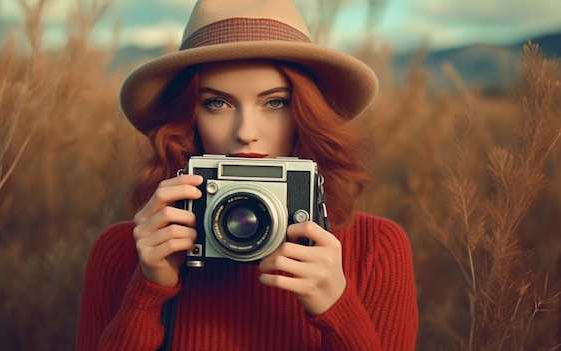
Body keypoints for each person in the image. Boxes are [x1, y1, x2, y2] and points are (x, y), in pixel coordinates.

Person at [76, 0, 418, 350]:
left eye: (275, 102)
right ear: (187, 117)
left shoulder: (375, 248)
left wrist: (337, 306)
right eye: (216, 103)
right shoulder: (124, 251)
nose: (246, 132)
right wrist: (149, 289)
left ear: (306, 113)